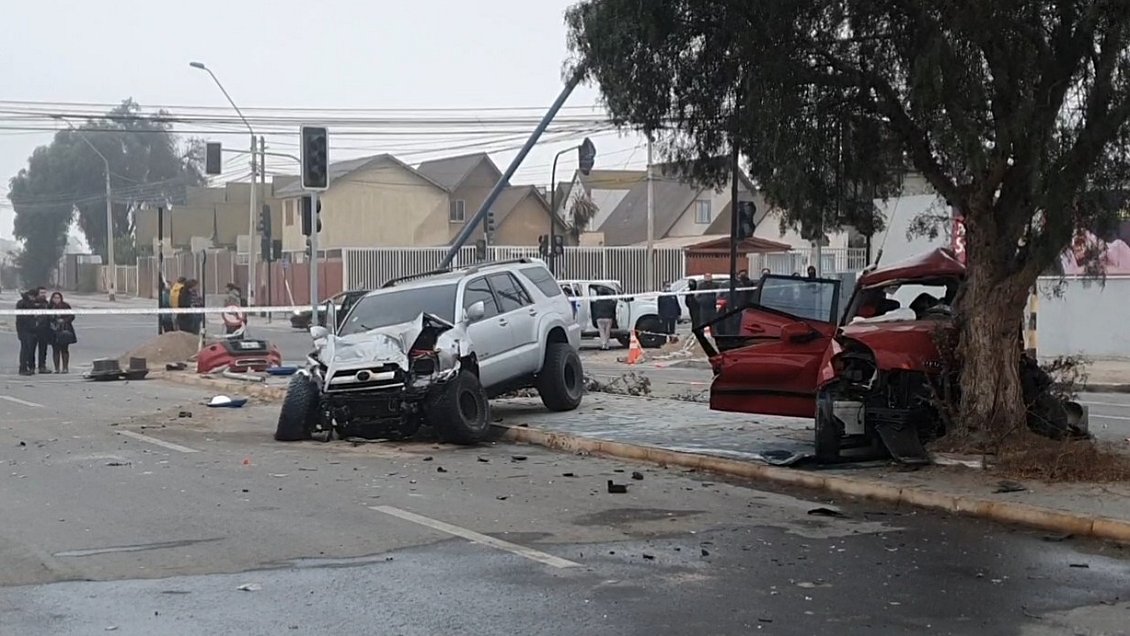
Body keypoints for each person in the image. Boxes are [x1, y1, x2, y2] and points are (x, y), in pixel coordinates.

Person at [48, 292, 75, 374]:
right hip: (53, 330)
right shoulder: (49, 307)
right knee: (55, 349)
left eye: (58, 297)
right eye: (55, 298)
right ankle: (56, 368)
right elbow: (46, 317)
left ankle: (65, 367)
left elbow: (72, 316)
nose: (56, 299)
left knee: (64, 349)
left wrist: (64, 320)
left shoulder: (65, 306)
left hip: (65, 329)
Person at [15, 290, 38, 376]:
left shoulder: (29, 303)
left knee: (28, 349)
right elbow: (23, 318)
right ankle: (23, 368)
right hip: (24, 329)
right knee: (25, 349)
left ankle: (26, 367)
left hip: (29, 329)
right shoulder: (23, 303)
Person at [33, 287, 52, 374]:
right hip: (34, 329)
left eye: (45, 292)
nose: (43, 294)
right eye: (41, 293)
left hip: (45, 330)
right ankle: (31, 366)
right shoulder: (32, 304)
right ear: (37, 294)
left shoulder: (47, 304)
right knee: (31, 349)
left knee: (43, 349)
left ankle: (42, 366)